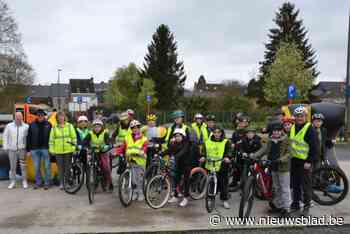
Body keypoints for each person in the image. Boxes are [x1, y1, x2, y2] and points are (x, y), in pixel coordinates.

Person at [252, 123, 291, 216]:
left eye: (278, 131)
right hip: (273, 167)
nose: (276, 132)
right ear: (272, 132)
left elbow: (290, 153)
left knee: (285, 188)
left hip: (283, 168)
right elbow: (263, 150)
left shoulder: (287, 140)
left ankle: (287, 209)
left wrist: (281, 159)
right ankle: (279, 206)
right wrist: (253, 156)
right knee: (277, 188)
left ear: (281, 131)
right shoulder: (270, 140)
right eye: (274, 131)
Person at [289, 106, 317, 216]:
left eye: (302, 116)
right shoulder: (293, 127)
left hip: (305, 161)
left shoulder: (310, 128)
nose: (299, 118)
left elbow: (314, 147)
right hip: (294, 160)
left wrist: (309, 161)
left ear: (306, 117)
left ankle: (306, 206)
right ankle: (295, 204)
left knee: (306, 185)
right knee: (295, 184)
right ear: (295, 117)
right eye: (297, 116)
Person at [200, 125, 232, 209]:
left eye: (219, 132)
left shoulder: (226, 141)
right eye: (215, 132)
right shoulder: (207, 141)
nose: (217, 134)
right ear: (212, 133)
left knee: (223, 183)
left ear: (221, 133)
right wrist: (203, 156)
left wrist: (227, 157)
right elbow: (204, 150)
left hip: (222, 165)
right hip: (211, 164)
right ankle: (210, 198)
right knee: (211, 183)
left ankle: (224, 200)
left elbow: (229, 151)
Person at [312, 113, 342, 193]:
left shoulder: (323, 130)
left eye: (320, 121)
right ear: (313, 121)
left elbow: (324, 141)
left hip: (321, 154)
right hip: (313, 155)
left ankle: (322, 186)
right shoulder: (310, 130)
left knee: (321, 170)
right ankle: (315, 187)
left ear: (322, 122)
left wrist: (331, 141)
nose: (318, 123)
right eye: (316, 121)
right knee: (314, 171)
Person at [121, 120, 148, 201]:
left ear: (139, 128)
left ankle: (141, 194)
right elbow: (123, 147)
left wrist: (141, 152)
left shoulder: (144, 138)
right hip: (130, 160)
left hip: (140, 161)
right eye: (133, 128)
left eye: (137, 128)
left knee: (140, 179)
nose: (135, 129)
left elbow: (145, 148)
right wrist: (118, 152)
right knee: (133, 179)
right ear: (131, 129)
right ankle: (135, 193)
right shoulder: (127, 137)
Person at [49, 112, 77, 190]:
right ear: (57, 118)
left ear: (65, 117)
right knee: (60, 168)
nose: (61, 118)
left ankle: (67, 183)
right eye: (59, 117)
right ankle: (61, 183)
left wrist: (74, 148)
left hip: (68, 150)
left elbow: (74, 138)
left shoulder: (69, 126)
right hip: (58, 151)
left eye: (62, 116)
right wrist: (51, 150)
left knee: (68, 167)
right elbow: (51, 140)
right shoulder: (54, 128)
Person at [83, 119, 113, 191]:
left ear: (101, 127)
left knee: (106, 168)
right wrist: (86, 147)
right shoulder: (90, 133)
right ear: (93, 127)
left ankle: (110, 183)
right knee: (92, 166)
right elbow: (84, 142)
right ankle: (95, 184)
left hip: (103, 152)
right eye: (95, 127)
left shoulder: (105, 133)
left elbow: (109, 142)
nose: (97, 128)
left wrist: (106, 146)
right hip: (93, 152)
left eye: (98, 126)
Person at [27, 109, 52, 190]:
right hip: (34, 149)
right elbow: (28, 138)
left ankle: (47, 183)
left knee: (47, 166)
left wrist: (51, 148)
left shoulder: (49, 124)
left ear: (44, 116)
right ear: (36, 116)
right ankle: (38, 182)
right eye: (38, 115)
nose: (40, 116)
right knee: (36, 167)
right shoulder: (32, 125)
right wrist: (28, 150)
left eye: (41, 115)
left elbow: (52, 137)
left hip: (46, 148)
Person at [166, 128, 192, 207]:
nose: (177, 138)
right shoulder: (174, 143)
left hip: (186, 164)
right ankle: (175, 196)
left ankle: (186, 198)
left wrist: (174, 157)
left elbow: (182, 152)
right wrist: (159, 154)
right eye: (176, 136)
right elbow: (169, 150)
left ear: (183, 136)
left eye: (179, 136)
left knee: (186, 181)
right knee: (176, 180)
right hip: (178, 164)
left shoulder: (186, 144)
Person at [3, 112, 29, 189]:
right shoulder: (9, 126)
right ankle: (13, 182)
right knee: (12, 167)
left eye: (20, 116)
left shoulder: (26, 126)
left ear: (22, 117)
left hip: (22, 150)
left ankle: (24, 181)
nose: (18, 118)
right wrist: (5, 147)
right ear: (14, 117)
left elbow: (28, 138)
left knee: (23, 167)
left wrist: (27, 149)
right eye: (17, 117)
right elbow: (5, 136)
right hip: (12, 150)